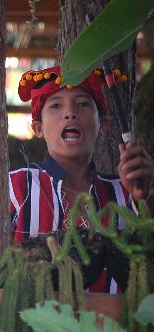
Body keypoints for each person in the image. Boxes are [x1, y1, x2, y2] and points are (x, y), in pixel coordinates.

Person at [8, 66, 152, 292]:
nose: (70, 113)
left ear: (102, 124)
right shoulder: (14, 188)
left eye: (83, 104)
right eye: (56, 105)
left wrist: (142, 198)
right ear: (38, 128)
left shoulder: (125, 192)